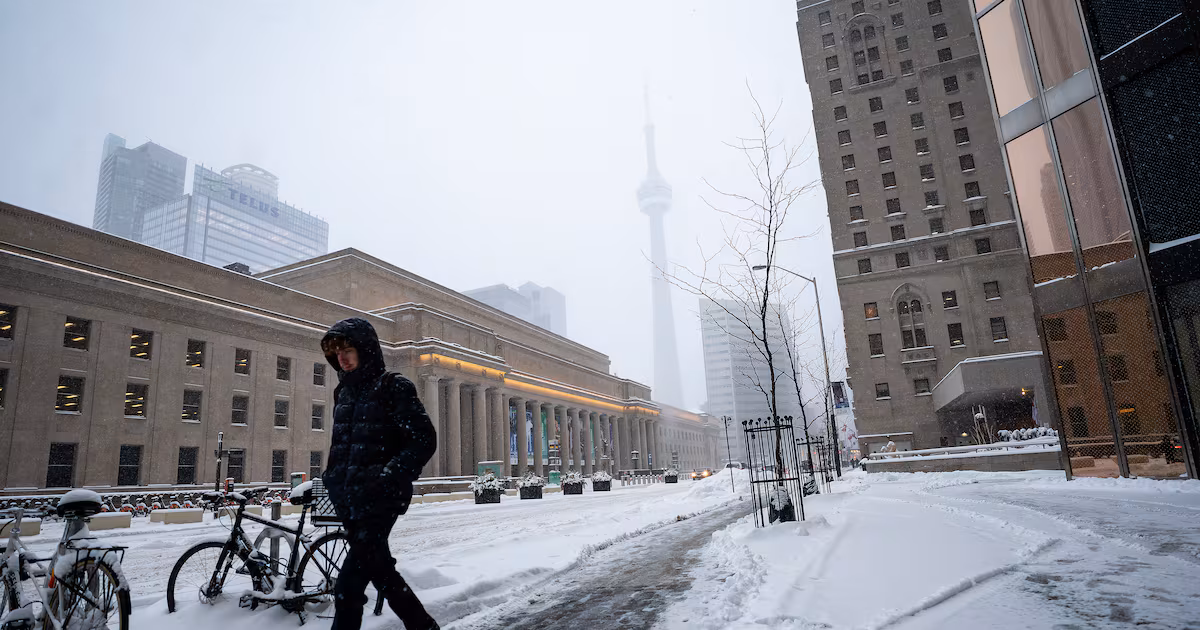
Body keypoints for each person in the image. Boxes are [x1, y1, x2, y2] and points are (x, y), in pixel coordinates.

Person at [319, 318, 439, 630]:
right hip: (351, 502)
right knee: (382, 573)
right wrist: (332, 479)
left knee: (347, 587)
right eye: (337, 353)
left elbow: (424, 440)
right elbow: (341, 447)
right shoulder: (342, 394)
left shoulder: (393, 387)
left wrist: (387, 477)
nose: (342, 358)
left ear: (366, 349)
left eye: (348, 350)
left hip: (380, 501)